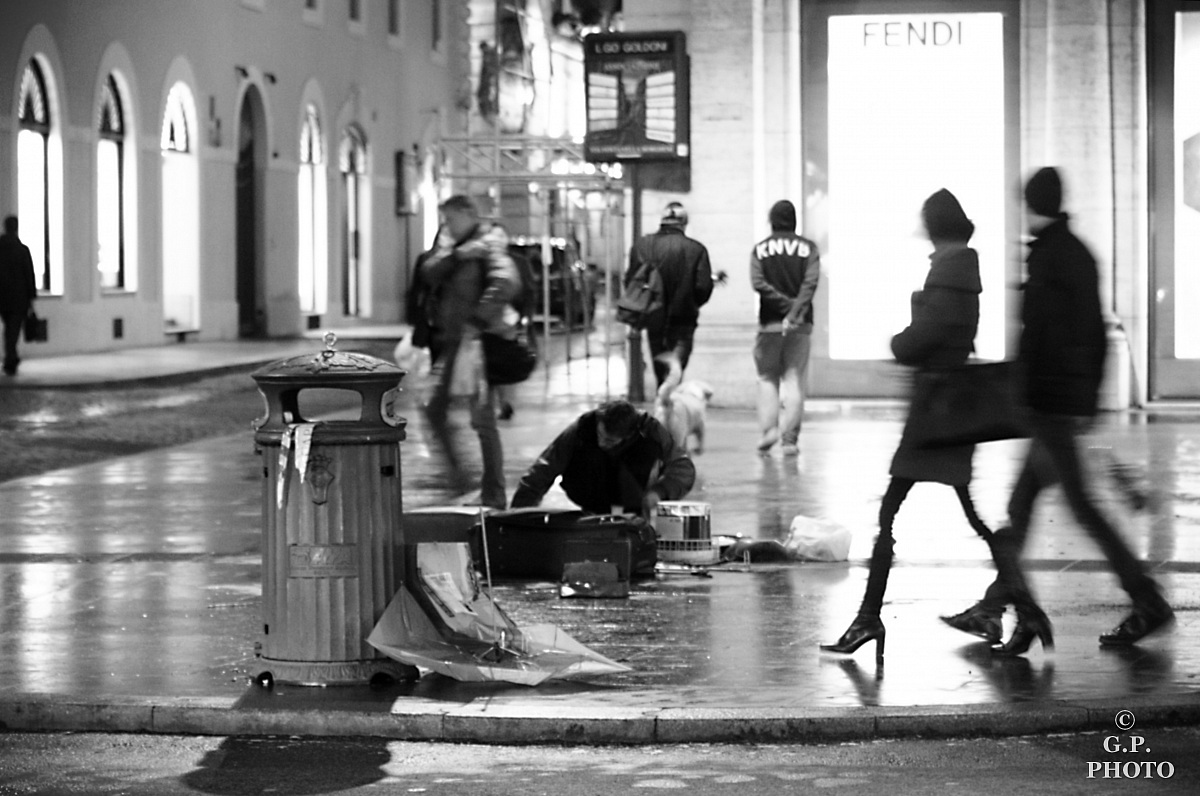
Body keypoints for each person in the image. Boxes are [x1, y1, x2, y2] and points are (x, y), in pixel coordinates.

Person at [942, 167, 1175, 653]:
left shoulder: (1050, 258)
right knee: (1023, 506)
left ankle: (1146, 600)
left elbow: (1041, 338)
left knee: (1081, 509)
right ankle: (1001, 610)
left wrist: (1029, 397)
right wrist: (1086, 400)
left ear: (1029, 203)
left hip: (1051, 406)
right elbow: (1094, 333)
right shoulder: (1077, 254)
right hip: (1065, 403)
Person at [820, 188, 1047, 661]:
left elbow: (928, 334)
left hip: (935, 414)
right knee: (964, 516)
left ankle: (869, 619)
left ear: (935, 224)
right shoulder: (961, 265)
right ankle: (1019, 608)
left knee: (893, 514)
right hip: (945, 409)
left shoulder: (951, 266)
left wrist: (900, 341)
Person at [420, 195, 521, 510]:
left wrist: (479, 318)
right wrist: (457, 255)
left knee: (482, 419)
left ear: (467, 214)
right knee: (434, 407)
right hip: (455, 343)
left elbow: (506, 281)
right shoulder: (455, 246)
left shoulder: (489, 242)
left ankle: (492, 491)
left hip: (477, 344)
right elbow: (428, 271)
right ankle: (461, 480)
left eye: (451, 219)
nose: (447, 226)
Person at [510, 399, 696, 517]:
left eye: (609, 440)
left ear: (628, 435)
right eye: (600, 435)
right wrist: (518, 515)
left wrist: (660, 491)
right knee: (590, 452)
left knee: (644, 453)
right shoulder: (583, 428)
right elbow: (544, 468)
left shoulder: (650, 431)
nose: (601, 442)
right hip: (590, 493)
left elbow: (683, 468)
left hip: (635, 497)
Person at [750, 199, 820, 456]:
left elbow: (758, 282)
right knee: (794, 379)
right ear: (794, 221)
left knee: (767, 377)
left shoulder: (760, 250)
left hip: (769, 324)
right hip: (800, 325)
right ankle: (789, 440)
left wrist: (781, 305)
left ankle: (769, 431)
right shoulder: (808, 248)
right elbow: (810, 284)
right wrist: (794, 310)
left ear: (772, 221)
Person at [626, 201, 715, 387]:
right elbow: (703, 287)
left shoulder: (642, 246)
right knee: (675, 372)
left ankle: (664, 409)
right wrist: (690, 303)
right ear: (684, 223)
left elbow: (630, 282)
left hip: (653, 318)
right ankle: (672, 409)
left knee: (662, 375)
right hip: (684, 320)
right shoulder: (696, 249)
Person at [489, 223, 537, 421]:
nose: (497, 241)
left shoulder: (518, 262)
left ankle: (505, 403)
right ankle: (492, 404)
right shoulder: (483, 262)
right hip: (489, 324)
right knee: (490, 365)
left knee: (505, 362)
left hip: (510, 322)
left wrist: (526, 317)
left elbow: (529, 291)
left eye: (500, 237)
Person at [0, 215, 37, 376]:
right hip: (19, 298)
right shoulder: (22, 250)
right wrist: (31, 298)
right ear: (16, 228)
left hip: (2, 297)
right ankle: (10, 359)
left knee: (9, 329)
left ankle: (11, 357)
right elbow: (28, 275)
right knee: (13, 331)